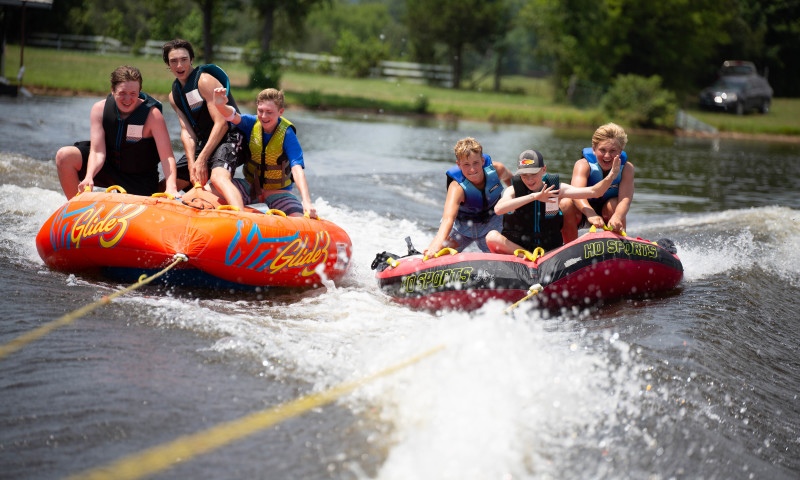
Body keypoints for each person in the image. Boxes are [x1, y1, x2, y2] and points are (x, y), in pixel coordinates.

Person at [55, 65, 178, 198]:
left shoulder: (153, 116)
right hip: (108, 167)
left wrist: (171, 187)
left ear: (139, 91)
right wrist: (89, 176)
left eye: (133, 94)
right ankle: (76, 209)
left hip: (139, 178)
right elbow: (97, 152)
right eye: (122, 93)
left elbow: (167, 157)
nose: (127, 99)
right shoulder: (99, 109)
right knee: (64, 156)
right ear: (112, 91)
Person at [162, 38, 247, 209]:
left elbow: (222, 123)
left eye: (184, 60)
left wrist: (201, 159)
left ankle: (242, 218)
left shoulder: (204, 81)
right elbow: (187, 132)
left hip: (231, 137)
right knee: (168, 184)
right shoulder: (174, 96)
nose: (179, 65)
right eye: (174, 61)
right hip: (206, 143)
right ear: (168, 64)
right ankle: (193, 203)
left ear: (192, 60)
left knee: (217, 178)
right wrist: (193, 163)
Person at [486, 149, 620, 255]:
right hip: (519, 250)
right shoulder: (513, 190)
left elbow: (595, 192)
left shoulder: (556, 188)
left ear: (543, 169)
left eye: (533, 174)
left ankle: (545, 258)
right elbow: (499, 209)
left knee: (569, 207)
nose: (529, 180)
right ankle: (528, 256)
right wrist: (534, 197)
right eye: (524, 175)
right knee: (491, 236)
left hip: (549, 251)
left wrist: (611, 175)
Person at [212, 86, 317, 218]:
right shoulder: (251, 123)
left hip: (278, 191)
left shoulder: (288, 134)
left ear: (280, 112)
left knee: (297, 216)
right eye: (260, 111)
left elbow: (297, 169)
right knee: (209, 191)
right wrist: (220, 106)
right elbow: (232, 116)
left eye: (269, 112)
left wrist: (306, 202)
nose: (263, 116)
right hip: (251, 187)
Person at [423, 137, 512, 258]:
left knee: (503, 258)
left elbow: (513, 184)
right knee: (438, 255)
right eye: (466, 164)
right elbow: (448, 219)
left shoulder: (497, 170)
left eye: (476, 163)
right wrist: (434, 247)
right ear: (458, 165)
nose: (472, 169)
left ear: (482, 160)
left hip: (492, 224)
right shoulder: (457, 188)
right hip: (462, 229)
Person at [560, 123, 634, 242]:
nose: (607, 156)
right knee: (565, 203)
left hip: (609, 212)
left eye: (613, 151)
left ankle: (618, 245)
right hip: (582, 212)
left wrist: (617, 216)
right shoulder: (583, 165)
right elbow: (576, 195)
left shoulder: (627, 168)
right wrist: (590, 213)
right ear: (594, 149)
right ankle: (570, 248)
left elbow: (625, 199)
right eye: (602, 150)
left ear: (620, 151)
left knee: (613, 205)